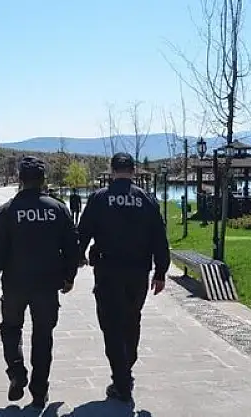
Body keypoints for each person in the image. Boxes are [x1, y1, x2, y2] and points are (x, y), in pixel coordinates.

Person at [0, 156, 80, 409]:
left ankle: (16, 371)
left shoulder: (8, 211)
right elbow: (72, 247)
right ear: (43, 179)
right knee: (43, 336)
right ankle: (39, 390)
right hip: (47, 286)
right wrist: (69, 277)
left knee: (10, 328)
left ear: (20, 179)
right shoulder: (57, 209)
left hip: (15, 284)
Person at [77, 152, 170, 403]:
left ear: (111, 170)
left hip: (108, 270)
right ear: (134, 170)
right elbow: (159, 238)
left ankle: (122, 381)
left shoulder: (99, 198)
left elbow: (83, 232)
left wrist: (77, 258)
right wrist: (161, 271)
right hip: (138, 271)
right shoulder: (147, 200)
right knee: (132, 319)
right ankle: (127, 366)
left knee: (111, 325)